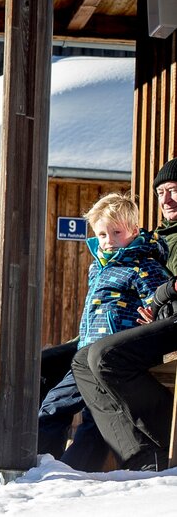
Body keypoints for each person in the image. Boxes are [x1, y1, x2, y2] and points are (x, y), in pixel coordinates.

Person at [37, 192, 169, 472]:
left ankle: (77, 472)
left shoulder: (143, 264)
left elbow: (159, 300)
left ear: (133, 231)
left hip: (112, 356)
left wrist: (152, 313)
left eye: (116, 232)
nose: (108, 241)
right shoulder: (97, 267)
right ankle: (41, 465)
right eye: (102, 234)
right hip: (85, 354)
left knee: (95, 419)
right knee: (53, 406)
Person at [72, 158, 177, 472]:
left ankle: (156, 433)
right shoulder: (161, 236)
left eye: (173, 190)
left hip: (168, 321)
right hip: (159, 319)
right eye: (160, 194)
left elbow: (157, 284)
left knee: (105, 356)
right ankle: (134, 455)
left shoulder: (144, 249)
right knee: (79, 359)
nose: (166, 200)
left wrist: (160, 299)